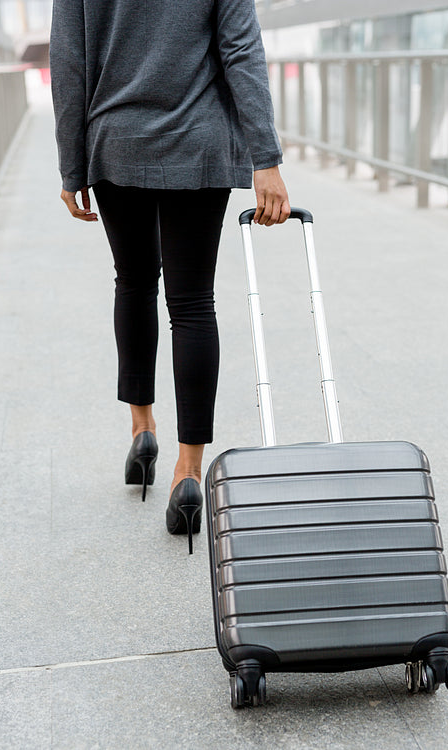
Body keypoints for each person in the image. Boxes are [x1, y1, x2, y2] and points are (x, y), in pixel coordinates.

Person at [49, 0, 290, 553]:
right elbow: (240, 47)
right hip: (199, 139)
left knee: (133, 281)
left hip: (118, 138)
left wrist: (71, 162)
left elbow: (69, 60)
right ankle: (188, 468)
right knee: (193, 304)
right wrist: (266, 157)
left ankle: (142, 430)